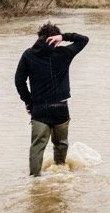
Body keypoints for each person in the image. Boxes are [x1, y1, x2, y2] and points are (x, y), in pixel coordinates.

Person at [14, 22, 89, 176]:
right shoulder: (64, 53)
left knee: (37, 147)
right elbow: (84, 39)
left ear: (39, 37)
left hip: (39, 109)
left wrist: (28, 101)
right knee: (61, 144)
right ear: (55, 39)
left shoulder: (28, 54)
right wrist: (64, 37)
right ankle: (60, 176)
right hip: (60, 108)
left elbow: (19, 80)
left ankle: (34, 180)